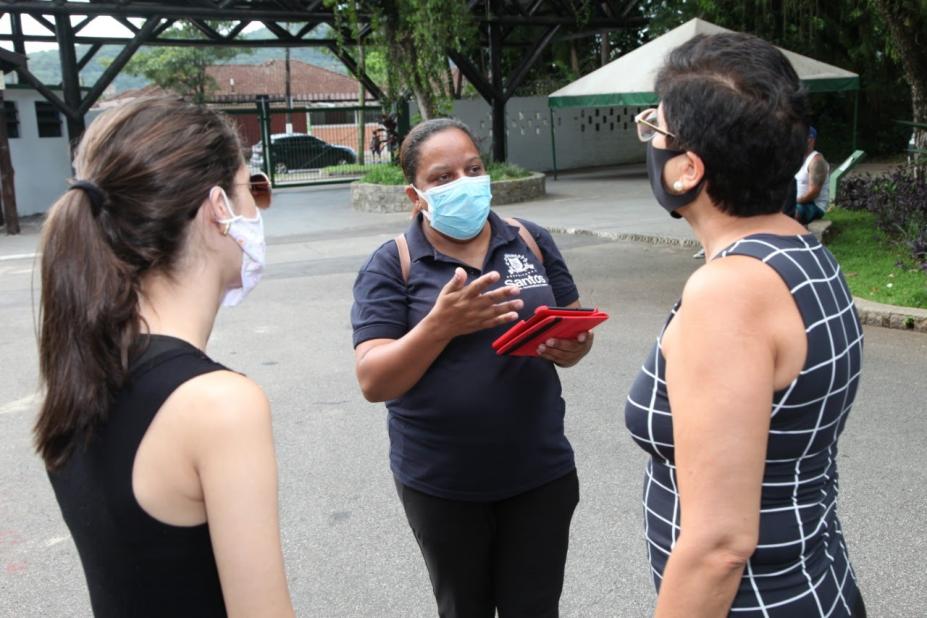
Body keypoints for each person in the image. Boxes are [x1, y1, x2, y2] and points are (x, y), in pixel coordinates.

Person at [624, 34, 865, 616]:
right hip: (816, 581)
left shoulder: (728, 293)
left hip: (758, 604)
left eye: (655, 127)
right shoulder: (799, 249)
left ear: (687, 169)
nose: (650, 140)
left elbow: (719, 547)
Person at [35, 98, 293, 617]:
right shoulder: (219, 405)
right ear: (218, 208)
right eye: (252, 191)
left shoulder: (85, 365)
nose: (256, 212)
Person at [351, 118, 594, 617]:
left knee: (536, 609)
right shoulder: (391, 263)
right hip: (442, 482)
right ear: (415, 195)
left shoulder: (530, 239)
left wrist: (574, 347)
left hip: (539, 471)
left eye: (473, 168)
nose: (464, 183)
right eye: (442, 178)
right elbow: (373, 380)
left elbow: (572, 325)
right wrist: (440, 325)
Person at [789, 126, 830, 224]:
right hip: (797, 202)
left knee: (791, 213)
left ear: (810, 140)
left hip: (813, 205)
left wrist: (792, 202)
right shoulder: (798, 159)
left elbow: (814, 192)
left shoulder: (816, 161)